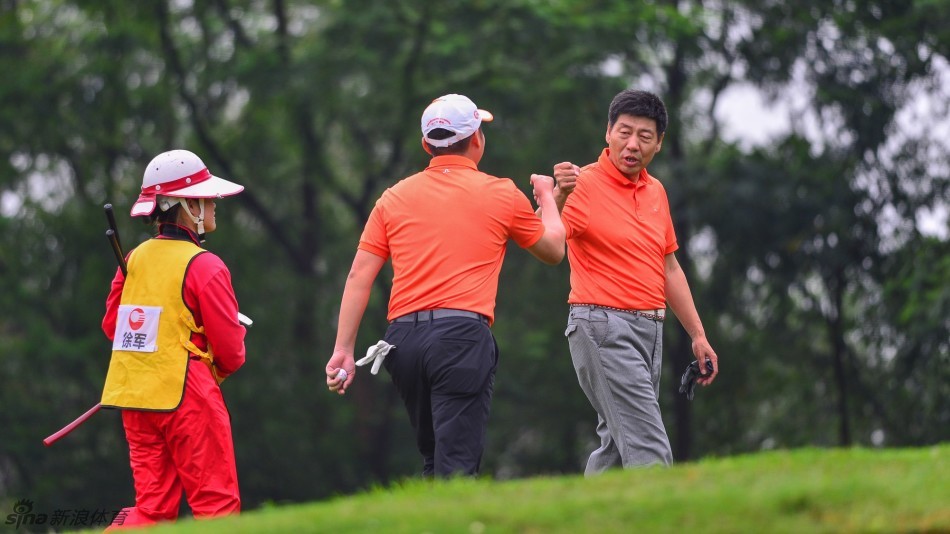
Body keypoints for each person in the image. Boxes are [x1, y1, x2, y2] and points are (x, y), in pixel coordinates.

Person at [325, 94, 566, 477]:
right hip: (460, 339)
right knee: (457, 466)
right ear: (477, 141)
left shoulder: (393, 197)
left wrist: (343, 348)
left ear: (426, 146)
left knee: (434, 458)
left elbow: (359, 276)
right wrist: (547, 199)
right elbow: (554, 250)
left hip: (401, 343)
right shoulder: (501, 192)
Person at [552, 89, 718, 474]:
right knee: (650, 448)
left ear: (659, 143)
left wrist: (697, 334)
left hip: (650, 331)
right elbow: (548, 238)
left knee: (615, 447)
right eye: (624, 132)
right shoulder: (584, 184)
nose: (632, 144)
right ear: (607, 133)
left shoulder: (656, 191)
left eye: (645, 136)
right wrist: (558, 194)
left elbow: (669, 267)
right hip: (602, 325)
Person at [100, 149, 247, 528]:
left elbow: (113, 327)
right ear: (186, 206)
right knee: (217, 505)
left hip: (135, 393)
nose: (214, 204)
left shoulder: (133, 258)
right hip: (189, 394)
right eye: (205, 198)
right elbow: (231, 353)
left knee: (151, 509)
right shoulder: (206, 265)